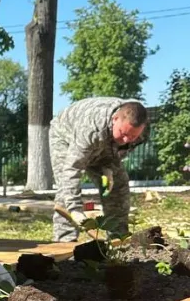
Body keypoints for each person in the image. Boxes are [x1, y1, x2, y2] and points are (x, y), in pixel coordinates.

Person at [49, 98, 149, 242]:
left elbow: (120, 148)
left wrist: (107, 168)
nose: (127, 139)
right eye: (123, 133)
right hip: (65, 136)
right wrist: (75, 210)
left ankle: (118, 240)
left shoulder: (142, 129)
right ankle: (65, 243)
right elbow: (72, 169)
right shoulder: (91, 128)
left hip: (105, 144)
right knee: (66, 191)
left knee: (118, 186)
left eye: (133, 136)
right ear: (115, 119)